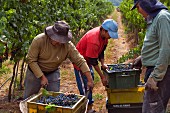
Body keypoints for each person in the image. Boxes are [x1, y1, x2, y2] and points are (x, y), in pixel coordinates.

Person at [23, 21, 94, 99]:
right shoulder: (39, 40)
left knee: (54, 99)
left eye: (62, 40)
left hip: (52, 72)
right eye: (57, 39)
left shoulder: (68, 46)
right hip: (34, 73)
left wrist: (89, 79)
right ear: (51, 35)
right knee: (29, 99)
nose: (60, 42)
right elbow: (31, 60)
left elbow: (80, 61)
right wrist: (42, 77)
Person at [131, 0, 170, 113]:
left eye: (138, 7)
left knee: (153, 109)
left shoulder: (162, 18)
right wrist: (143, 58)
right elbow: (156, 45)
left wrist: (156, 77)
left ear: (145, 3)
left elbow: (166, 49)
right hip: (155, 71)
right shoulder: (154, 18)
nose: (138, 11)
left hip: (161, 74)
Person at [73, 19, 118, 113]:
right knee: (85, 84)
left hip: (88, 60)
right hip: (80, 62)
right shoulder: (93, 40)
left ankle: (89, 104)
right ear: (104, 30)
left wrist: (102, 63)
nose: (110, 37)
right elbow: (93, 61)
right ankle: (84, 107)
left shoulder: (104, 37)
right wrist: (102, 77)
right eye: (110, 34)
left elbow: (101, 51)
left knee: (90, 80)